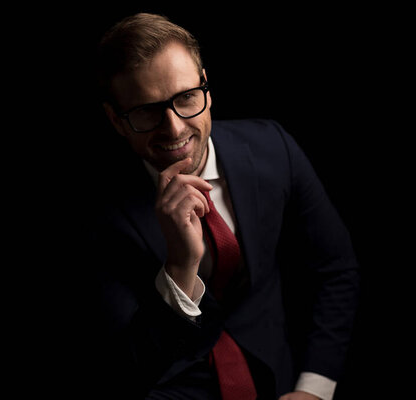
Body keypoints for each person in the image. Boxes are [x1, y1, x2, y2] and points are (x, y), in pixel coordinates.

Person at [93, 13, 360, 400]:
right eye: (146, 111)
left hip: (278, 378)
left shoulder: (275, 148)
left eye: (186, 97)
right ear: (116, 121)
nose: (174, 129)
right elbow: (122, 367)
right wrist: (180, 267)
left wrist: (315, 388)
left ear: (206, 87)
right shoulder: (101, 214)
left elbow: (336, 271)